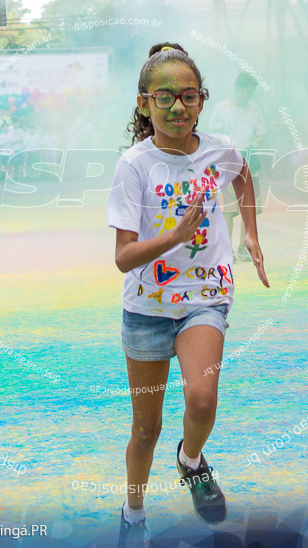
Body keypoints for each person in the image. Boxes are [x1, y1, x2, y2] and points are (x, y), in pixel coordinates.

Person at [107, 43, 270, 545]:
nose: (177, 107)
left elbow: (243, 174)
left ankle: (192, 461)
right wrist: (175, 236)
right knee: (145, 431)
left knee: (202, 399)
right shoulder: (134, 165)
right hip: (148, 310)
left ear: (202, 101)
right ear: (144, 104)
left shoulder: (218, 149)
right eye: (164, 98)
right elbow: (124, 257)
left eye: (188, 96)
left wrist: (250, 232)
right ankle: (133, 515)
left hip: (205, 294)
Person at [208, 72, 267, 261]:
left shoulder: (254, 109)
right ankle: (228, 248)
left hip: (250, 162)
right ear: (238, 89)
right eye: (248, 91)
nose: (250, 95)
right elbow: (215, 134)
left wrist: (256, 143)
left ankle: (244, 247)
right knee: (228, 208)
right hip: (229, 162)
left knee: (248, 207)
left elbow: (260, 133)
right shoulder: (222, 108)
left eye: (252, 92)